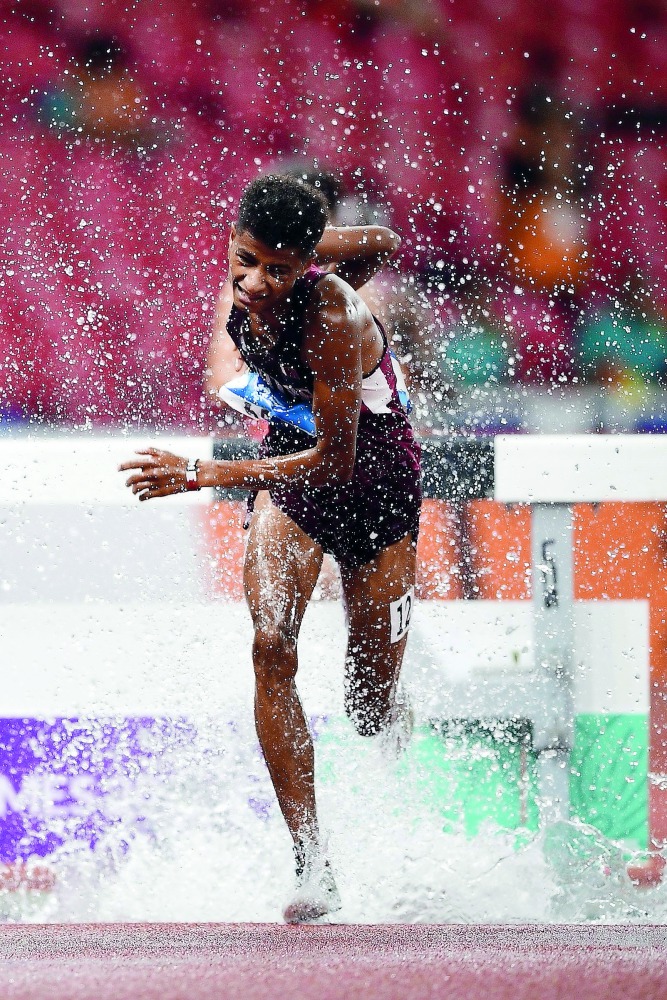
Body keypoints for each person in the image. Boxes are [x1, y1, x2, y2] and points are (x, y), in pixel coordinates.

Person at [120, 175, 422, 922]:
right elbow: (377, 243)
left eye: (277, 271)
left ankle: (390, 701)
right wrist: (305, 250)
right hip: (292, 469)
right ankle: (312, 866)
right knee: (269, 643)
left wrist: (206, 472)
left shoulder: (333, 318)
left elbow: (337, 462)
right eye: (245, 262)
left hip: (373, 479)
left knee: (367, 708)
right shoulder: (255, 279)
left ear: (303, 268)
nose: (254, 285)